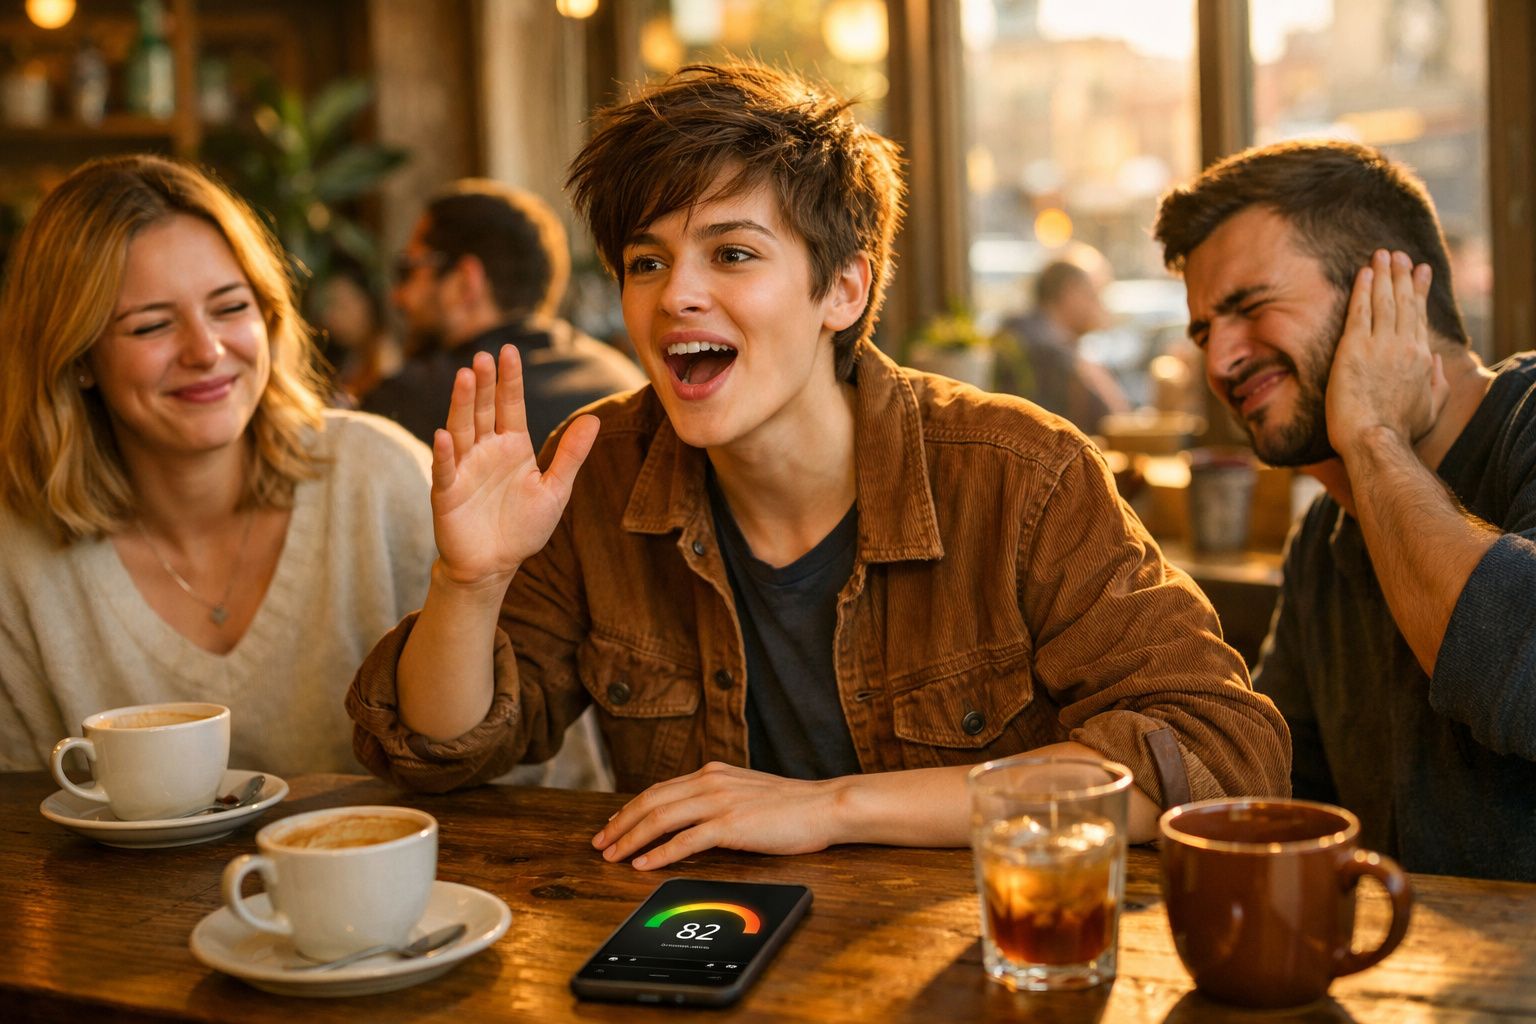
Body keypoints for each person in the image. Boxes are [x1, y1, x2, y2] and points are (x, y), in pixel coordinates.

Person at [348, 62, 1289, 870]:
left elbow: (1218, 753)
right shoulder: (599, 468)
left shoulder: (1016, 472)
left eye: (733, 253)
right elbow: (439, 751)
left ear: (844, 287)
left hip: (982, 958)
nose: (677, 295)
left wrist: (831, 807)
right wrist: (469, 582)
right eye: (646, 261)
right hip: (703, 955)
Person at [1153, 139, 1536, 881]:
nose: (1219, 362)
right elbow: (1285, 795)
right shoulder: (1325, 536)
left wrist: (1371, 432)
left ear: (1384, 294)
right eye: (1204, 331)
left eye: (1250, 307)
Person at [0, 154, 435, 777]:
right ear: (77, 358)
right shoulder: (16, 557)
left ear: (269, 316)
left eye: (230, 308)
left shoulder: (380, 478)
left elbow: (535, 774)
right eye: (151, 325)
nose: (206, 351)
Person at [362, 180, 646, 451]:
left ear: (465, 281)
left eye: (408, 269)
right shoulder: (620, 379)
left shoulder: (416, 400)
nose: (396, 296)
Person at [994, 251, 1130, 433]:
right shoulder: (1046, 353)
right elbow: (1113, 421)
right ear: (1071, 292)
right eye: (1096, 295)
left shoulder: (1032, 336)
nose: (1102, 307)